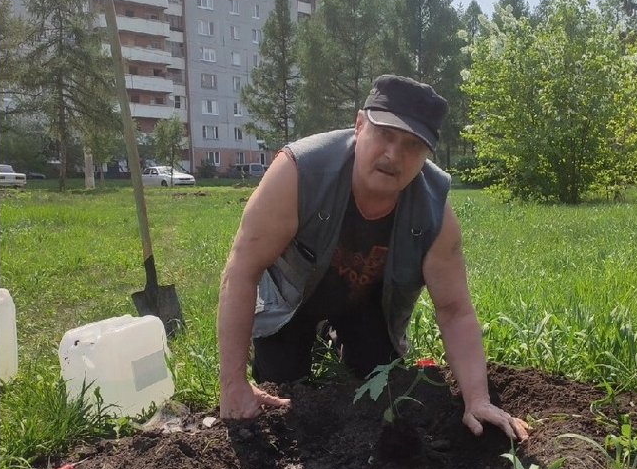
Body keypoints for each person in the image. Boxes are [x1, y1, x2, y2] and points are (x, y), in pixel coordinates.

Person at [216, 75, 528, 442]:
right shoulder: (300, 172)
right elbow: (242, 268)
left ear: (427, 154)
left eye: (413, 145)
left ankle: (338, 333)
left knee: (383, 378)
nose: (394, 155)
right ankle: (309, 330)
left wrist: (477, 398)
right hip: (292, 297)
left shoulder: (434, 211)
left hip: (365, 301)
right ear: (360, 124)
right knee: (283, 382)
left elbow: (454, 308)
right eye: (385, 134)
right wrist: (232, 384)